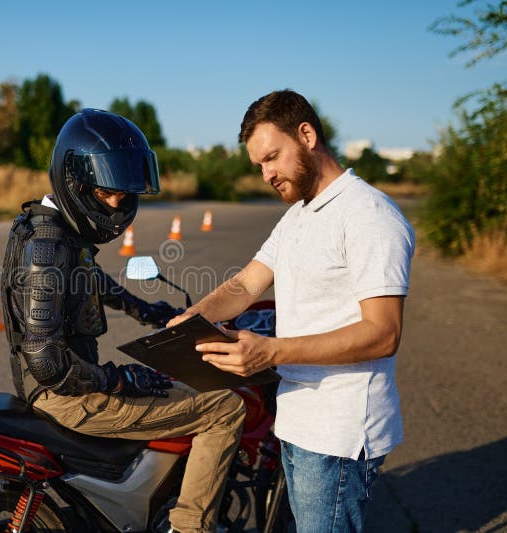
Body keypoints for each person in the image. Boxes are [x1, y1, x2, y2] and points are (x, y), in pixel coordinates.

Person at [167, 90, 415, 532]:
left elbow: (383, 333)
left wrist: (271, 351)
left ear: (307, 134)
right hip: (297, 420)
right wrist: (195, 318)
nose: (266, 174)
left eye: (272, 157)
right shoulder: (300, 216)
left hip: (340, 433)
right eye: (259, 165)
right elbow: (245, 284)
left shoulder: (369, 216)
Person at [0, 108, 246, 533]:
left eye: (123, 192)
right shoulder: (47, 246)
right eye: (106, 192)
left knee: (168, 380)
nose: (117, 203)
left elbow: (92, 280)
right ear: (75, 180)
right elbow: (46, 362)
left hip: (70, 388)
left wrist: (149, 311)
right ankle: (191, 527)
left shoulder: (57, 232)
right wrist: (118, 380)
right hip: (70, 397)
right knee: (225, 407)